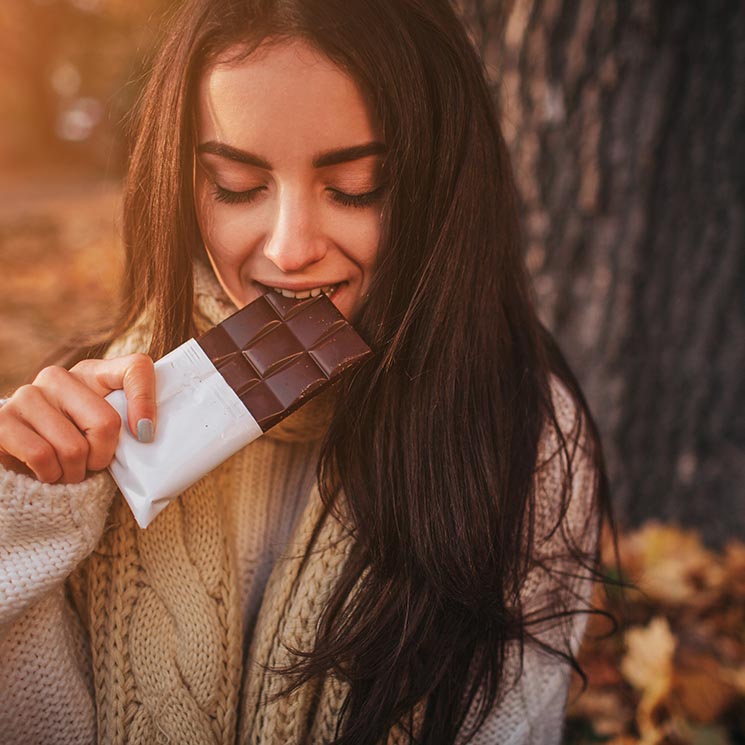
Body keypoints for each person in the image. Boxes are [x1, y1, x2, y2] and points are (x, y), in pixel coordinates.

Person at [0, 0, 617, 742]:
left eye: (355, 185)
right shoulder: (90, 414)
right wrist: (22, 522)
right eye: (235, 184)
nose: (290, 250)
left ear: (441, 186)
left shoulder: (523, 438)